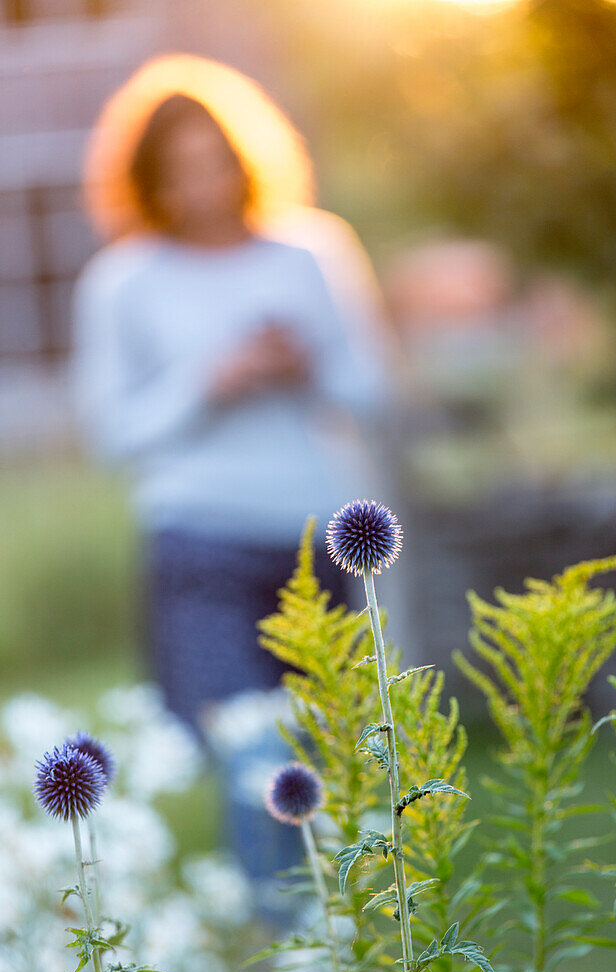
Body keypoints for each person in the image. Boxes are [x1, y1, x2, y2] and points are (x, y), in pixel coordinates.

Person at [71, 54, 391, 919]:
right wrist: (208, 383)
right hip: (197, 541)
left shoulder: (312, 250)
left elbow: (373, 388)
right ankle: (287, 954)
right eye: (177, 173)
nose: (200, 185)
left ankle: (356, 941)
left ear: (246, 155)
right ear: (147, 183)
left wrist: (303, 364)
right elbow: (109, 433)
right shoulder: (123, 281)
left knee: (338, 752)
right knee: (253, 762)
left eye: (213, 160)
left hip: (319, 534)